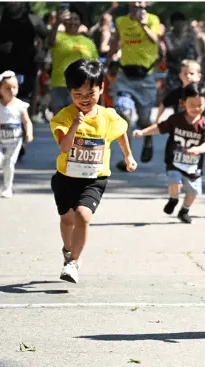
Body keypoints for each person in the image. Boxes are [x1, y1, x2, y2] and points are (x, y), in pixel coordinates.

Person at [50, 59, 137, 284]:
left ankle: (73, 263)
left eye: (90, 93)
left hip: (94, 178)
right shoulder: (64, 117)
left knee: (82, 215)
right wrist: (75, 126)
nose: (84, 99)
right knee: (67, 219)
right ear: (70, 92)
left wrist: (128, 156)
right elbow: (64, 147)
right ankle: (68, 251)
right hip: (66, 177)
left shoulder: (108, 116)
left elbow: (120, 132)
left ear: (101, 88)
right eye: (78, 94)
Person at [132, 83, 205, 224]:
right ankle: (174, 198)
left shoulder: (204, 125)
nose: (196, 108)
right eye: (192, 104)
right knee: (175, 181)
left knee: (193, 192)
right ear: (183, 103)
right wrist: (143, 132)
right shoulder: (176, 119)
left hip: (193, 164)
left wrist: (198, 150)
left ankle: (184, 210)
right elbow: (159, 128)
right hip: (174, 160)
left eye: (200, 105)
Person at [108, 1, 162, 168]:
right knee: (124, 114)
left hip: (146, 77)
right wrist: (107, 63)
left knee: (145, 119)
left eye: (141, 3)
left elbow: (155, 41)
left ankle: (148, 140)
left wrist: (143, 25)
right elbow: (115, 42)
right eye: (135, 2)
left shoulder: (153, 19)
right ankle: (128, 156)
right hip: (125, 76)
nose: (138, 5)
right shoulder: (121, 21)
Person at [48, 8, 99, 115]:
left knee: (77, 122)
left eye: (76, 19)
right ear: (64, 21)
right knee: (59, 123)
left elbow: (96, 64)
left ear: (80, 22)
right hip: (59, 84)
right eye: (70, 19)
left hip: (81, 87)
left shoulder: (88, 42)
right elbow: (50, 42)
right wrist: (57, 22)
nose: (72, 22)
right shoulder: (58, 36)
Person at [0, 71, 32, 198]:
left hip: (14, 142)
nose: (11, 91)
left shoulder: (20, 105)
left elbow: (26, 121)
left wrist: (29, 133)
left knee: (9, 163)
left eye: (14, 87)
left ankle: (7, 187)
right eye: (7, 88)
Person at [164, 12, 200, 93]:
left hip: (190, 73)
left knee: (191, 97)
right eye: (177, 23)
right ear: (173, 24)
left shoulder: (191, 36)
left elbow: (198, 54)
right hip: (174, 73)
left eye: (182, 22)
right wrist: (184, 41)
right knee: (175, 97)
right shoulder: (168, 36)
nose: (180, 25)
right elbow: (173, 52)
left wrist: (196, 68)